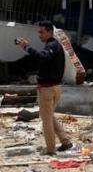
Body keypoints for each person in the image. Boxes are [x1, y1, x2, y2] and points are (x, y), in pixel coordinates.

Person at [16, 21, 73, 156]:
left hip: (47, 89)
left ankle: (50, 150)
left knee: (46, 120)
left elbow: (43, 57)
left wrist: (27, 47)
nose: (39, 34)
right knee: (49, 116)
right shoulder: (54, 45)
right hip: (54, 87)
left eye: (41, 32)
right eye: (39, 32)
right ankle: (66, 142)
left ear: (49, 32)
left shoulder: (52, 45)